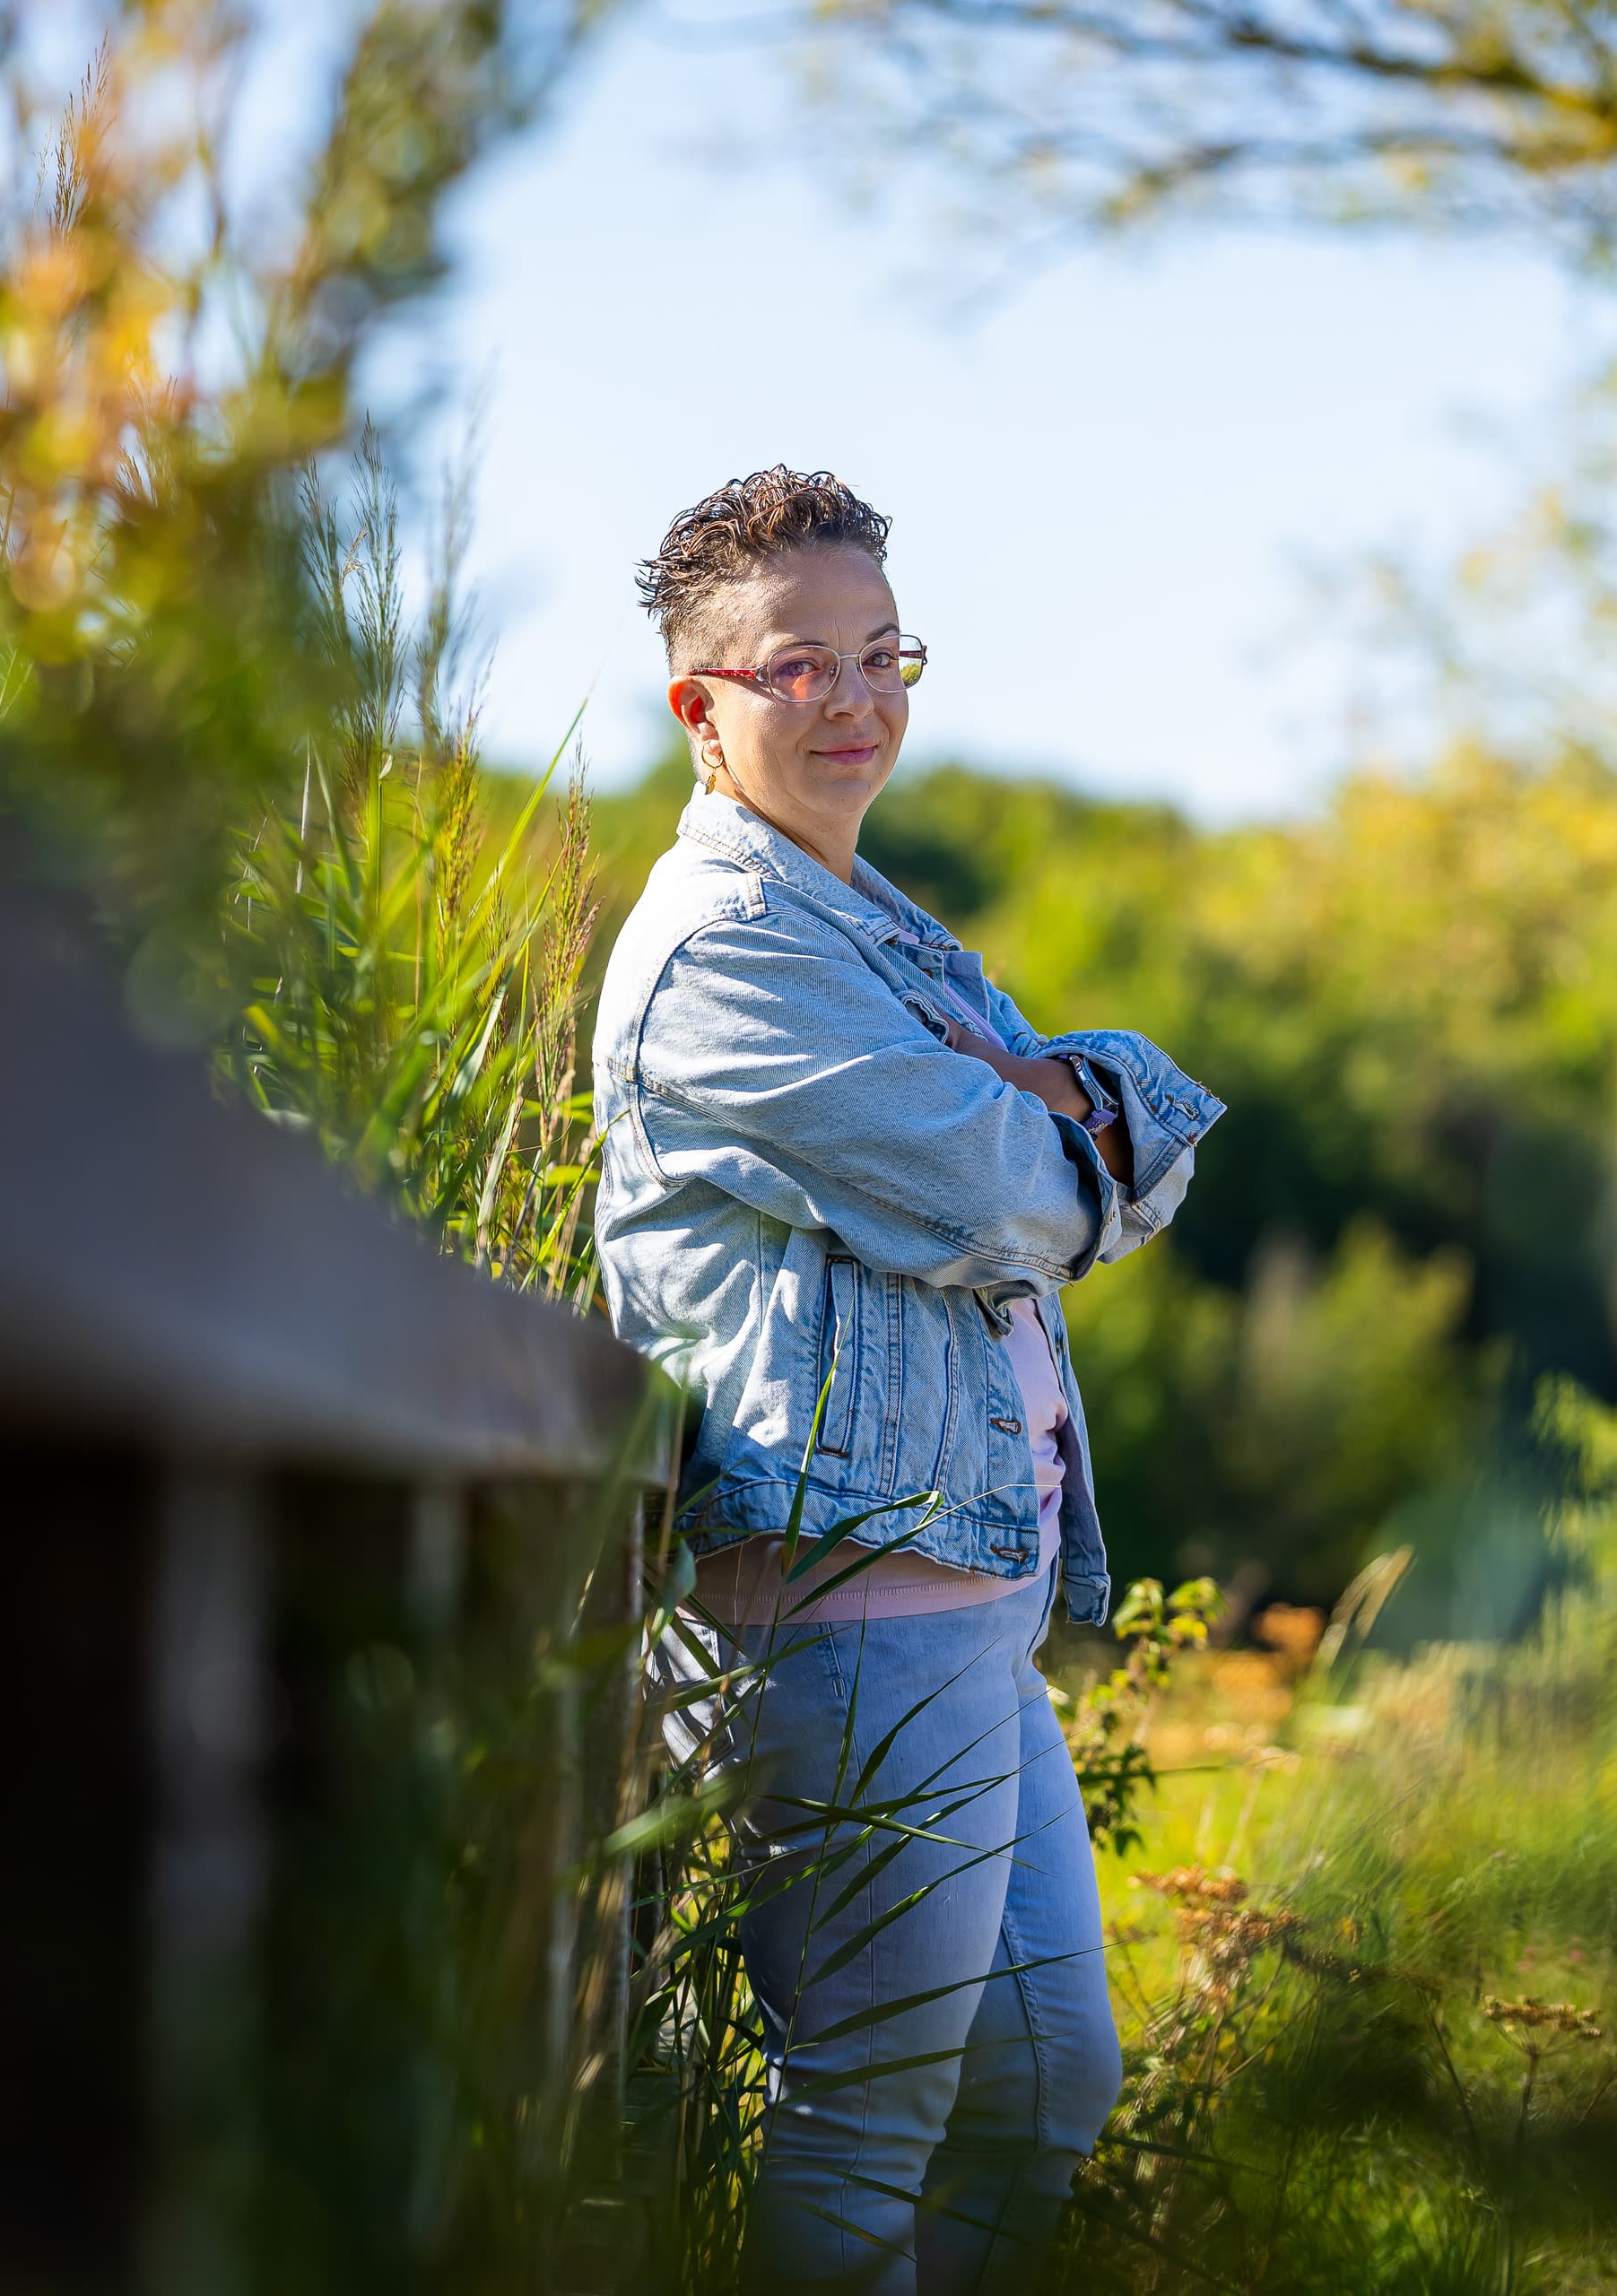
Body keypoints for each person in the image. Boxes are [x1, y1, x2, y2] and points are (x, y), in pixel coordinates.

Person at [591, 467, 1224, 2292]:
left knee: (1041, 2085)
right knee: (868, 2115)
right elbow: (1018, 1189)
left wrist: (1056, 1108)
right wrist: (1044, 1109)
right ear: (700, 707)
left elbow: (1114, 1148)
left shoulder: (868, 923)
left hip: (965, 1614)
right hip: (849, 1621)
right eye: (803, 668)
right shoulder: (729, 951)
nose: (861, 700)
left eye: (887, 654)